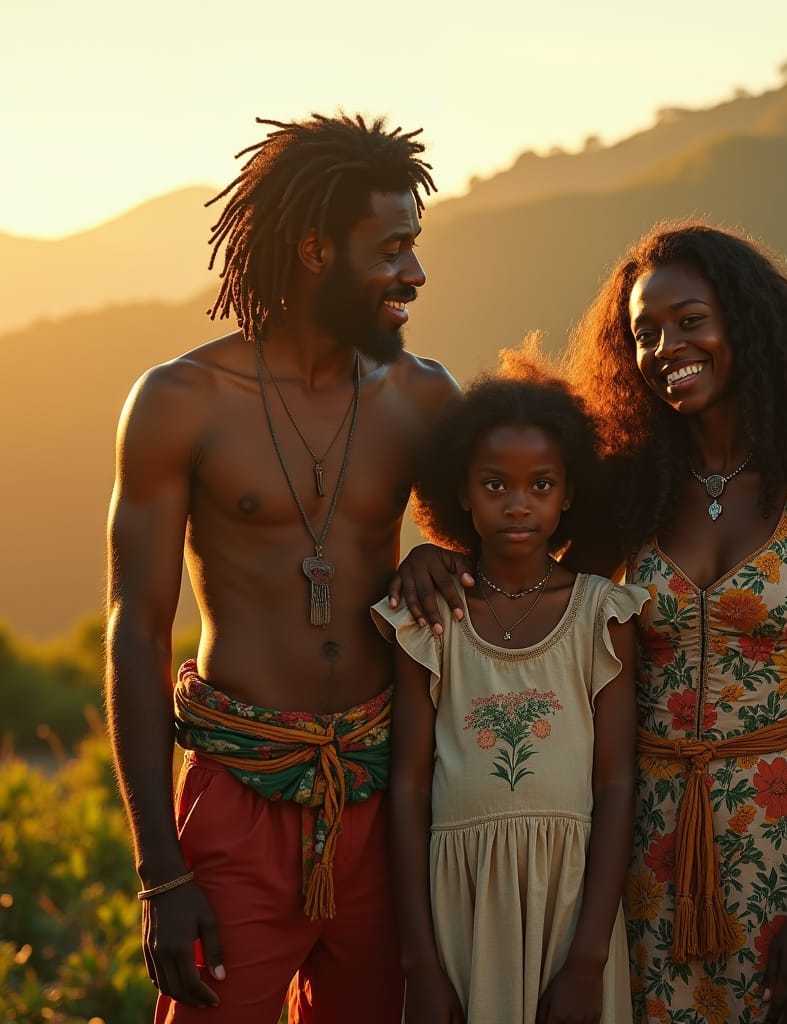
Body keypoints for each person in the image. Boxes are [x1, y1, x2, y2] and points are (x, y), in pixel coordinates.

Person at [393, 221, 787, 1024]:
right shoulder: (627, 491)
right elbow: (518, 552)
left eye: (691, 320)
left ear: (743, 321)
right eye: (645, 333)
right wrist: (430, 557)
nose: (667, 347)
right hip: (644, 858)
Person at [104, 111, 459, 1024]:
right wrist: (161, 870)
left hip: (389, 795)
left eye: (413, 247)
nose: (414, 273)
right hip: (238, 794)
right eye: (391, 250)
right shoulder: (181, 401)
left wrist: (434, 553)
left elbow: (517, 553)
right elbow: (136, 630)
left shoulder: (423, 396)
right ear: (313, 250)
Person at [373, 359, 650, 1024]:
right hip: (458, 904)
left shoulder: (600, 615)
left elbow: (615, 784)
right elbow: (407, 787)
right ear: (462, 493)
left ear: (568, 495)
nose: (519, 503)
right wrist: (421, 963)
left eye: (541, 485)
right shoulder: (429, 618)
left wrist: (588, 960)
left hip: (570, 901)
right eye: (495, 484)